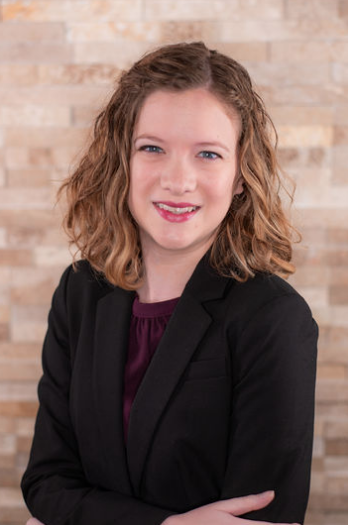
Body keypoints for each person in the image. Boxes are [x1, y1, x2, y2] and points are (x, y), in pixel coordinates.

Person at [21, 42, 318, 525]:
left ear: (240, 173)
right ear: (124, 159)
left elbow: (264, 519)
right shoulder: (79, 293)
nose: (178, 181)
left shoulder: (274, 319)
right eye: (153, 148)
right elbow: (46, 485)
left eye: (208, 154)